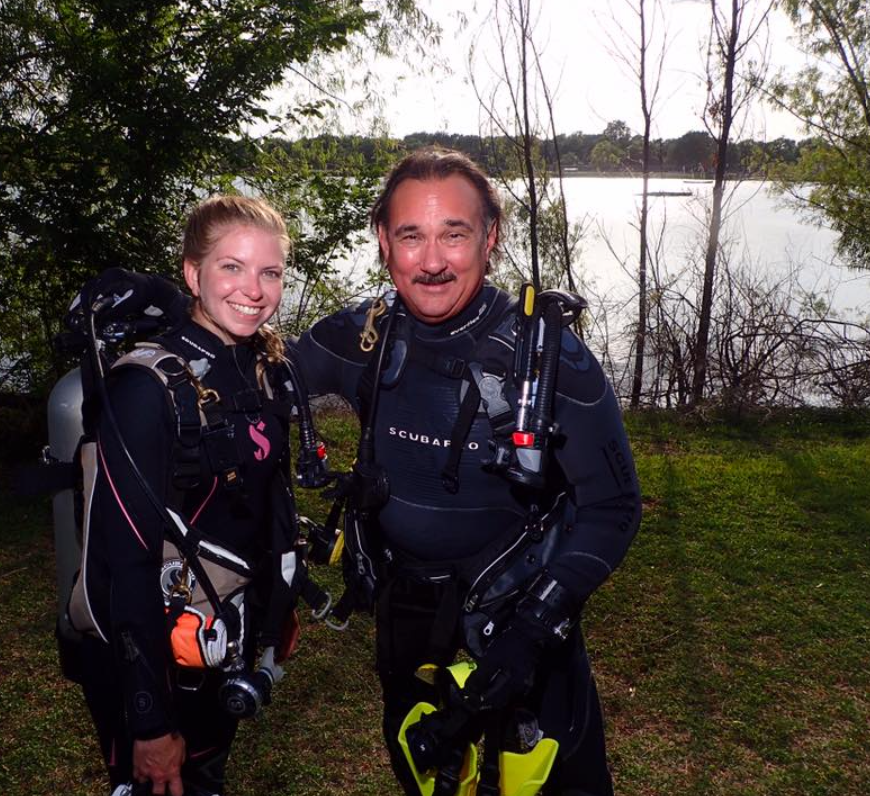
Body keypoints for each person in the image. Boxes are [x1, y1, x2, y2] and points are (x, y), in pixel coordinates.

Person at [70, 147, 641, 796]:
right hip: (410, 626)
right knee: (429, 781)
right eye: (411, 236)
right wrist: (173, 302)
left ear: (491, 237)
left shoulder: (550, 361)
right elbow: (250, 362)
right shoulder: (366, 336)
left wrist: (536, 629)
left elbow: (613, 506)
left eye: (454, 234)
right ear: (382, 242)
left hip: (525, 629)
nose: (431, 261)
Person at [72, 195, 301, 796]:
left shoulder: (259, 365)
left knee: (207, 772)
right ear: (193, 274)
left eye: (270, 271)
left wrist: (277, 610)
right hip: (152, 659)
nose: (253, 289)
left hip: (220, 634)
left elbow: (259, 503)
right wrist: (149, 721)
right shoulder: (146, 390)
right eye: (232, 267)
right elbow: (125, 563)